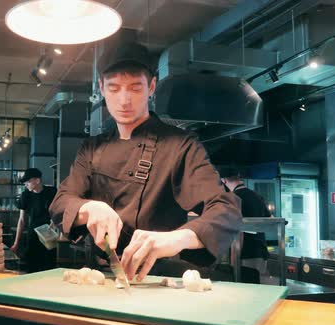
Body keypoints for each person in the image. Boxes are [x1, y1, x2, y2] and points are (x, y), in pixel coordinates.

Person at [49, 42, 242, 282]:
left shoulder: (180, 146)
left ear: (151, 87)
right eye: (114, 88)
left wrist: (177, 238)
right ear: (101, 88)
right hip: (99, 279)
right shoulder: (91, 148)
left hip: (157, 279)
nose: (124, 100)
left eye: (135, 87)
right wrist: (88, 208)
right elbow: (60, 203)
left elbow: (226, 210)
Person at [220, 168, 272, 283]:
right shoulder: (257, 196)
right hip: (261, 251)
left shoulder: (233, 199)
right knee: (259, 289)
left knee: (245, 289)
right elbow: (271, 220)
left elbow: (237, 230)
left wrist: (234, 257)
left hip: (244, 253)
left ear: (223, 181)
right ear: (239, 176)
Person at [11, 168, 58, 273]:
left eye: (28, 181)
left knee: (49, 268)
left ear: (37, 181)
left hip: (49, 235)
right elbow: (22, 220)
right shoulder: (25, 195)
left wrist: (55, 221)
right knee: (32, 268)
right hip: (33, 236)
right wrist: (16, 243)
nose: (26, 184)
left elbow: (59, 211)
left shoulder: (52, 192)